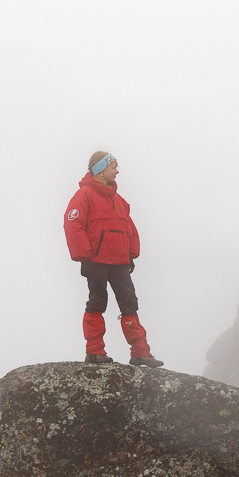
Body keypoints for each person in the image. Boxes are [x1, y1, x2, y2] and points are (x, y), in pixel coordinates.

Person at [63, 151, 163, 367]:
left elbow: (130, 227)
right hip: (96, 261)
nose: (117, 171)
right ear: (99, 170)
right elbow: (73, 223)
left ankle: (140, 352)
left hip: (119, 262)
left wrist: (130, 254)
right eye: (113, 167)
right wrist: (84, 256)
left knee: (130, 304)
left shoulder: (119, 200)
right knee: (97, 302)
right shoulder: (84, 195)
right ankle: (95, 351)